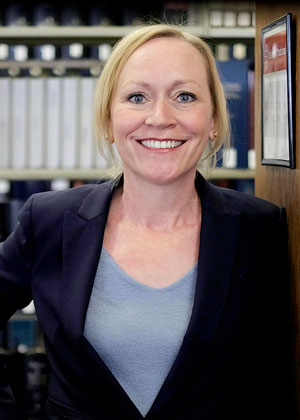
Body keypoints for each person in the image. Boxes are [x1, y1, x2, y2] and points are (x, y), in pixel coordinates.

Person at [0, 24, 292, 420]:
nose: (160, 117)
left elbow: (276, 378)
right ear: (108, 120)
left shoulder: (260, 229)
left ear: (214, 123)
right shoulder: (48, 221)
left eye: (184, 96)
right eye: (137, 97)